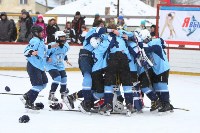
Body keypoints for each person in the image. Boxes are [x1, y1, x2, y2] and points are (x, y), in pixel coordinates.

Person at [99, 24, 134, 116]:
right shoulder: (122, 33)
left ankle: (108, 104)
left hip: (113, 58)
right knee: (126, 82)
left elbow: (100, 32)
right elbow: (132, 35)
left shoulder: (108, 37)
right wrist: (125, 35)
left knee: (109, 82)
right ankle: (130, 104)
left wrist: (111, 31)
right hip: (124, 58)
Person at [20, 25, 48, 110]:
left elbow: (43, 50)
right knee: (38, 85)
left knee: (44, 83)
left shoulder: (41, 41)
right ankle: (29, 102)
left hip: (39, 66)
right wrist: (31, 52)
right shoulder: (35, 40)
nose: (42, 33)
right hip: (33, 66)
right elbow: (26, 51)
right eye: (40, 32)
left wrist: (47, 56)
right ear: (35, 33)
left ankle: (27, 96)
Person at [145, 32, 173, 112]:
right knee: (156, 85)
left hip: (162, 68)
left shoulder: (155, 43)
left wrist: (140, 46)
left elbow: (148, 49)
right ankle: (162, 102)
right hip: (157, 69)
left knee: (162, 85)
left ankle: (166, 104)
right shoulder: (151, 44)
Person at [46, 31, 72, 109]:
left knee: (64, 79)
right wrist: (47, 58)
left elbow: (64, 53)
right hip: (51, 65)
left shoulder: (66, 46)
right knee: (57, 78)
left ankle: (63, 93)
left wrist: (66, 59)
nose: (63, 39)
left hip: (60, 65)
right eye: (61, 37)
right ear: (57, 38)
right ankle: (51, 95)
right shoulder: (52, 45)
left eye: (64, 37)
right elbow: (45, 53)